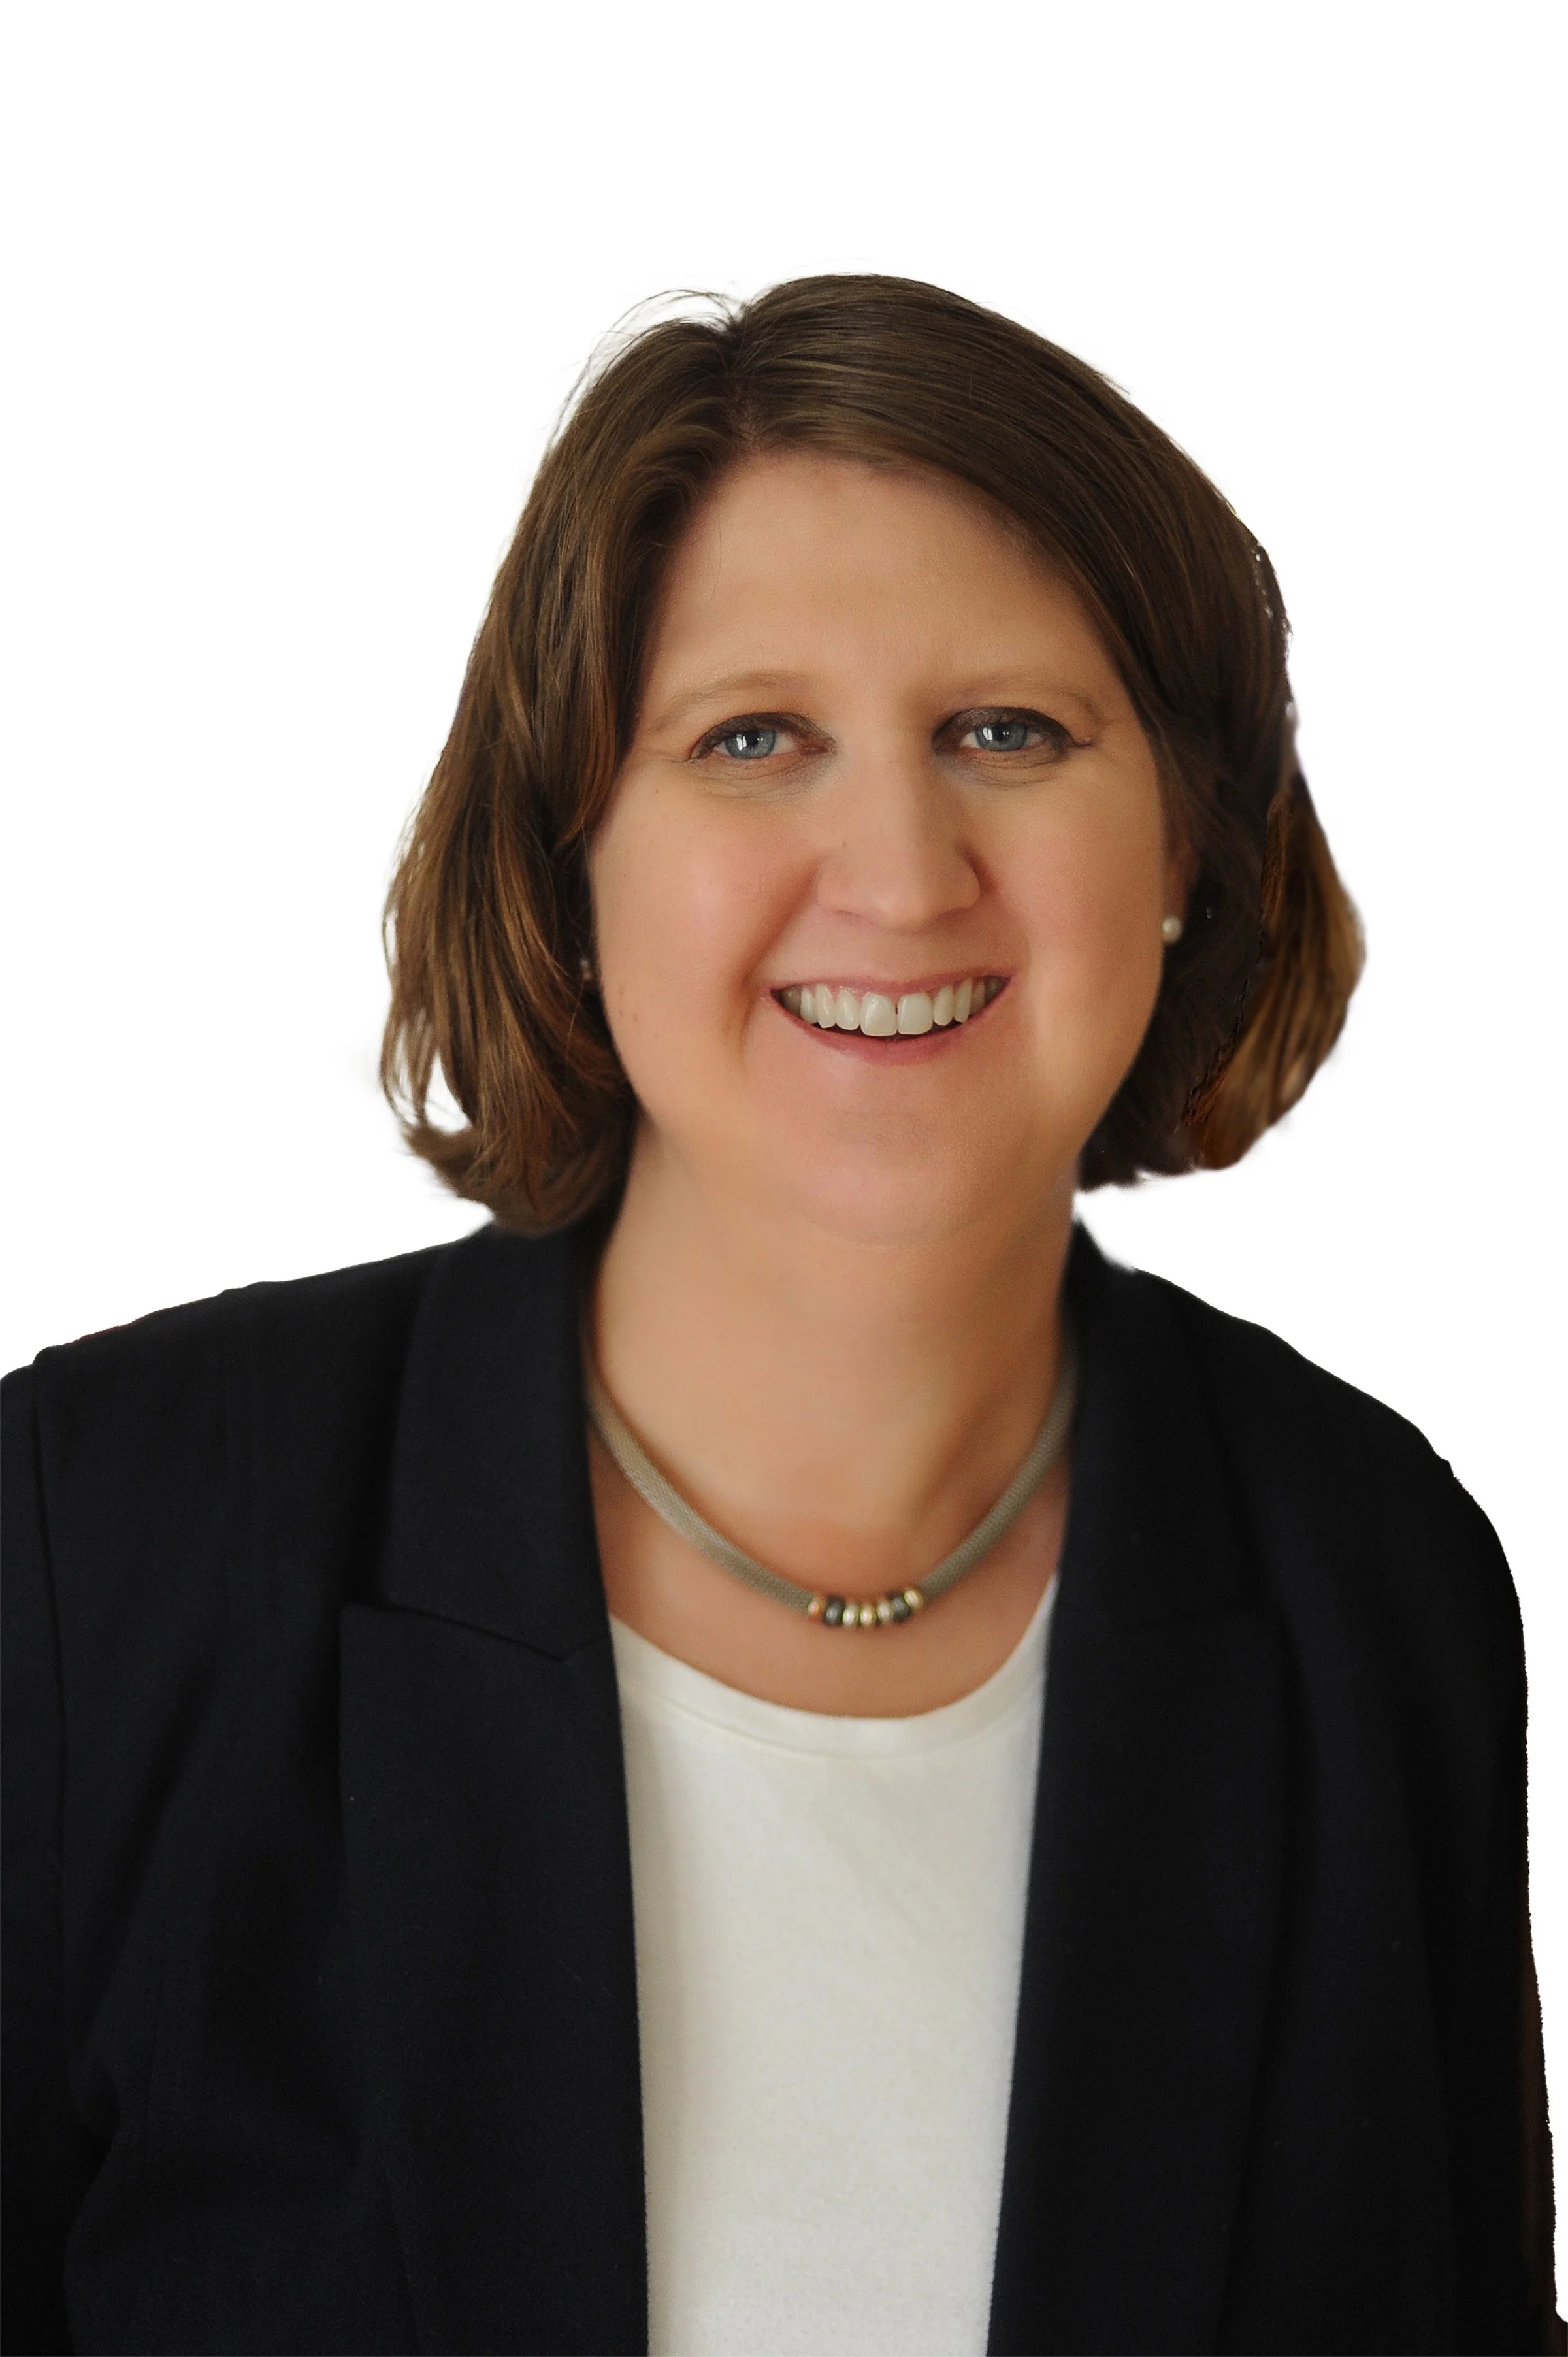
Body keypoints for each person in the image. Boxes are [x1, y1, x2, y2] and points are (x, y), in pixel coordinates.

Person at [1, 274, 1557, 2357]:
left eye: (1008, 732)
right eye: (755, 739)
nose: (900, 870)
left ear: (1186, 835)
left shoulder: (1376, 1585)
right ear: (572, 849)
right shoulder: (99, 1549)